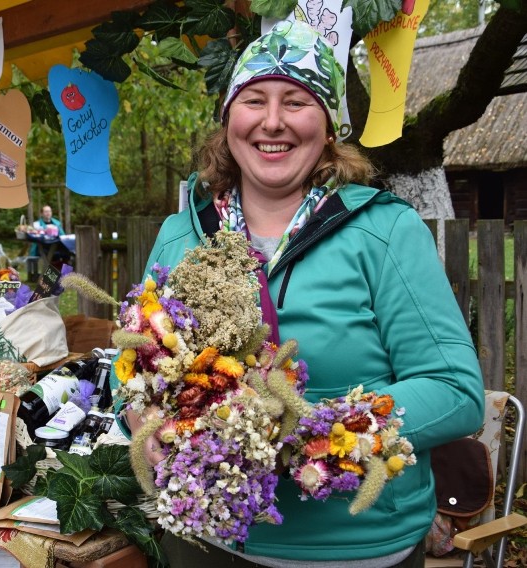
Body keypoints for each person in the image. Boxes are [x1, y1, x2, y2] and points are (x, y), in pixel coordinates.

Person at [127, 20, 485, 568]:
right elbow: (129, 360)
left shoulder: (385, 231)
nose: (272, 122)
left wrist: (312, 427)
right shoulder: (182, 234)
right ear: (228, 121)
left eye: (296, 101)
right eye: (254, 101)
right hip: (206, 540)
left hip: (355, 546)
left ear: (328, 126)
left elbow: (456, 390)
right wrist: (142, 418)